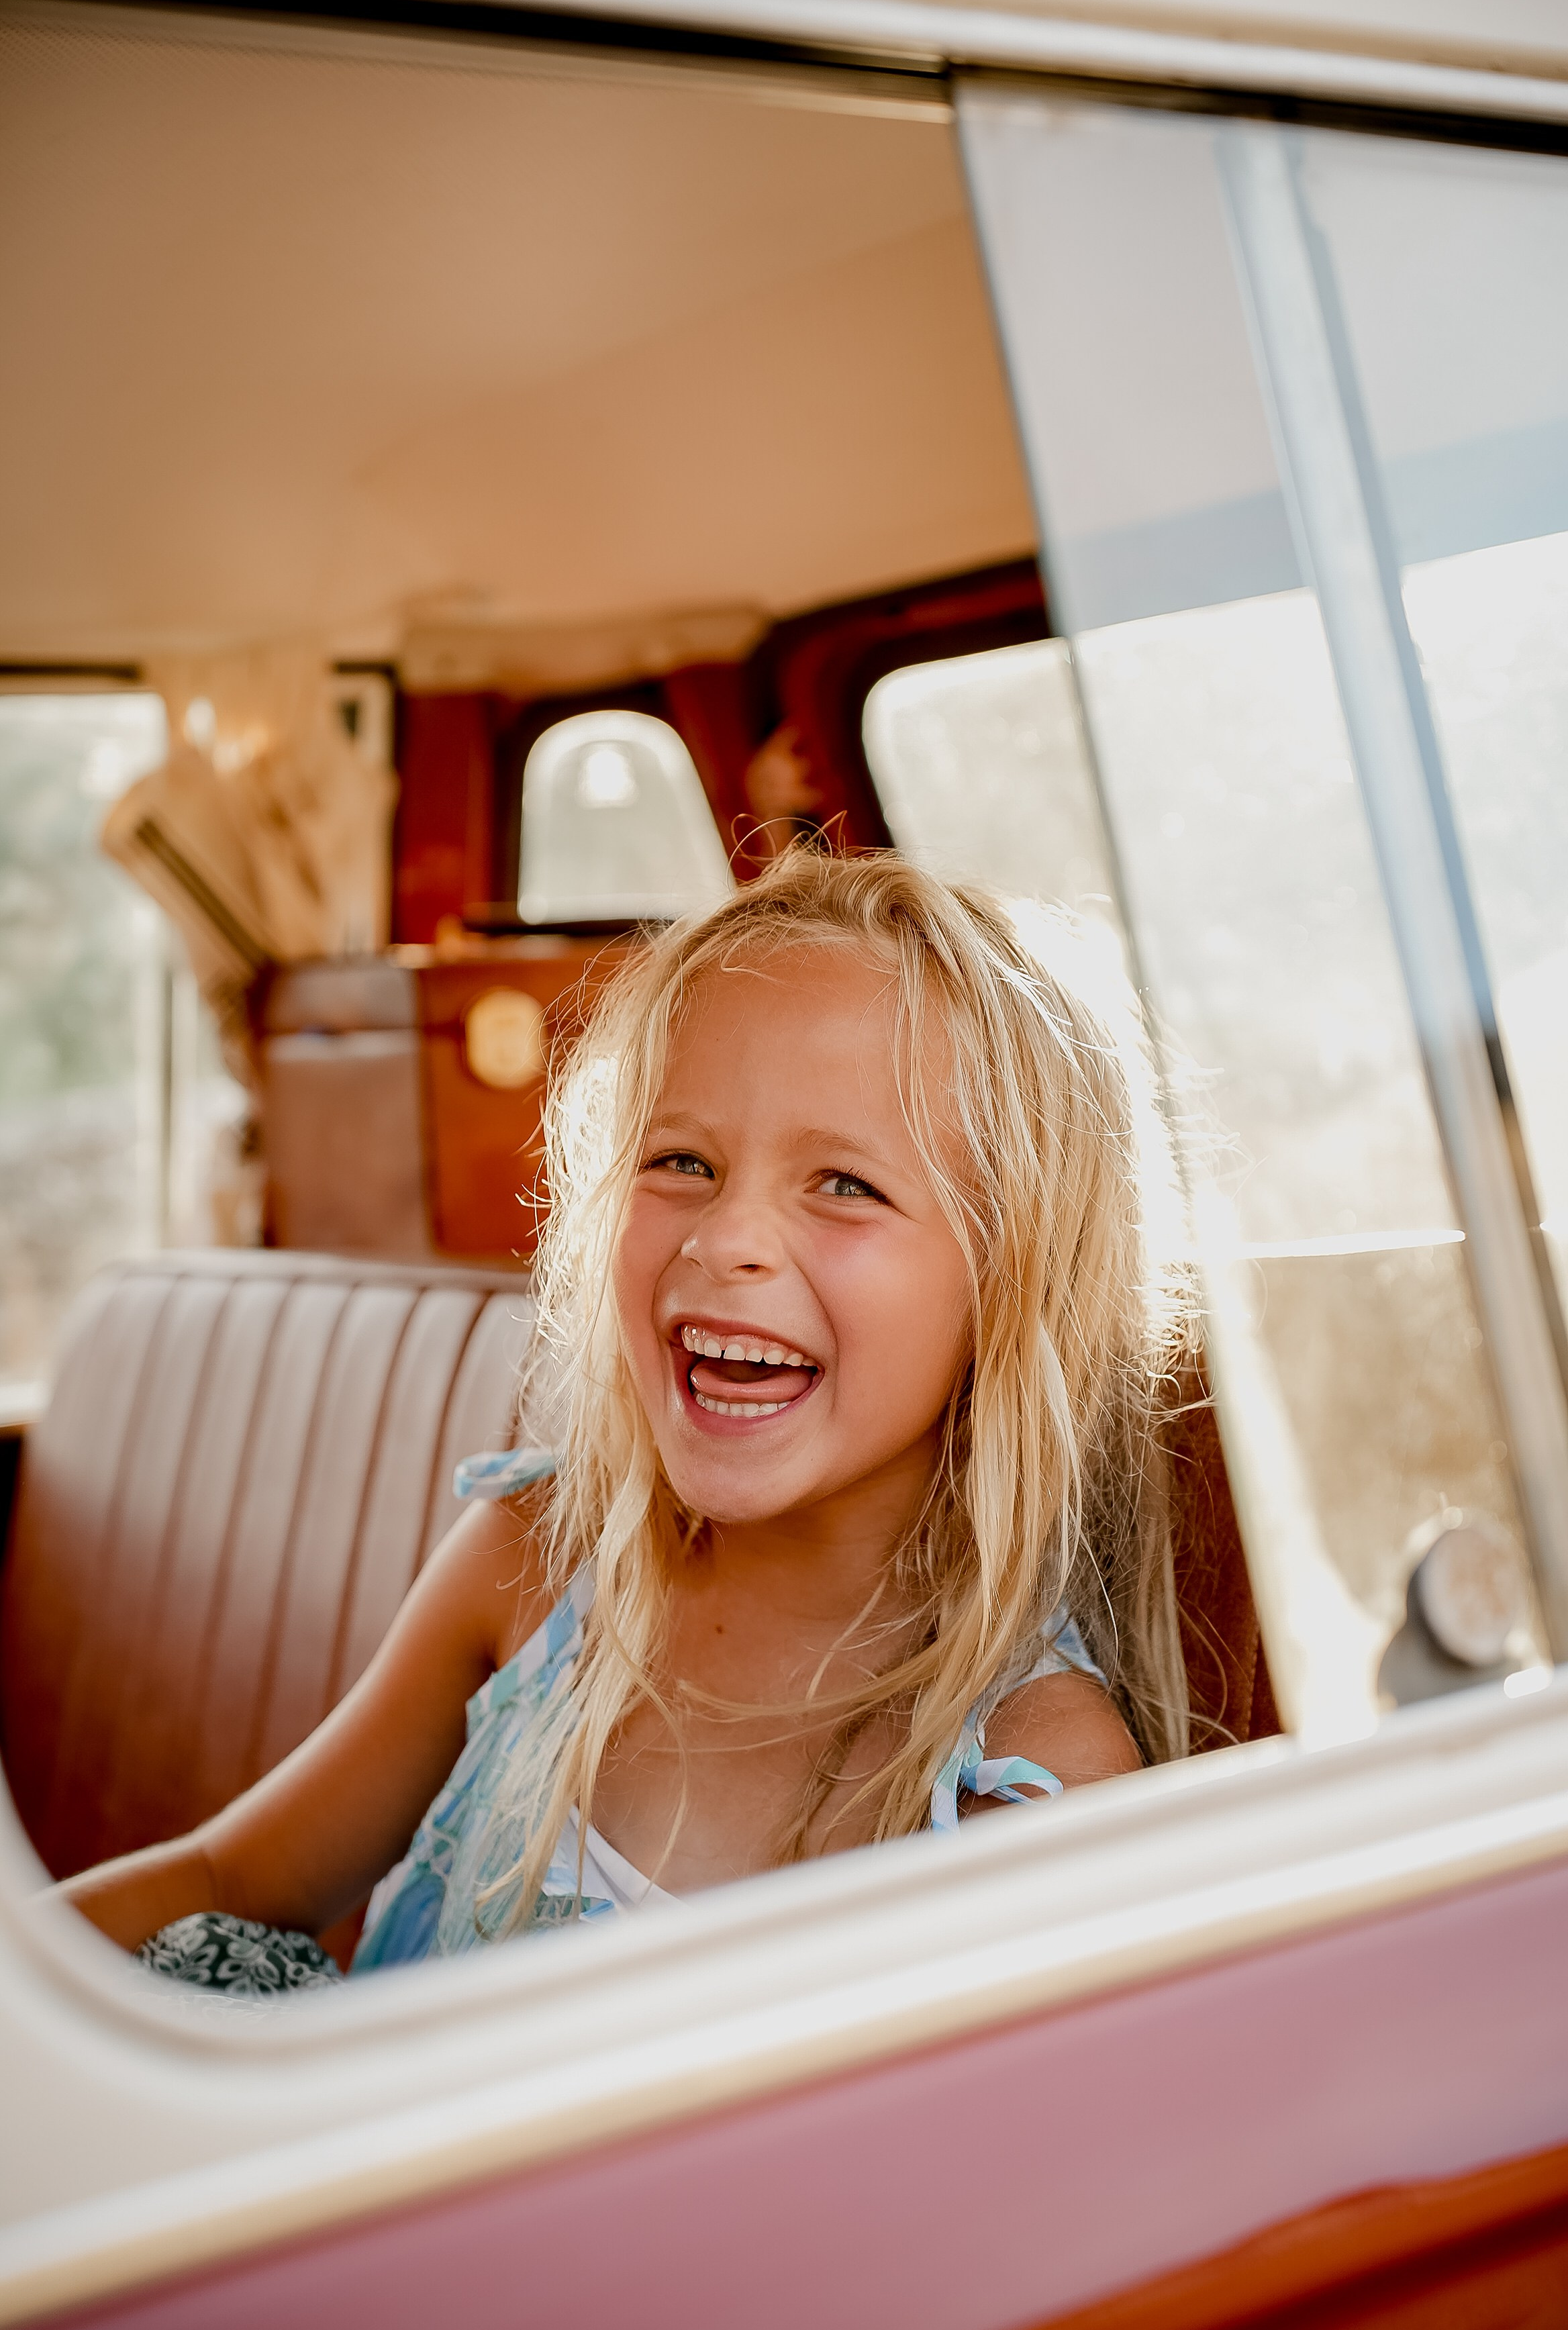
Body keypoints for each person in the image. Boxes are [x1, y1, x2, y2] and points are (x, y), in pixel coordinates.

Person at [52, 850, 1191, 1996]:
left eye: (845, 1184)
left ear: (1010, 1282)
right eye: (681, 1162)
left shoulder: (1025, 1771)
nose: (722, 1237)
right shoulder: (538, 1563)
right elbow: (228, 1876)